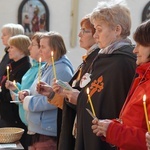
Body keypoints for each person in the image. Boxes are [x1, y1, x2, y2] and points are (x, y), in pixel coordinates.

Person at [54, 1, 136, 149]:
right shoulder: (104, 58)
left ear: (117, 30)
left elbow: (114, 105)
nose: (95, 35)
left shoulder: (122, 62)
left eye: (99, 29)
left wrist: (80, 98)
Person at [37, 14, 100, 150]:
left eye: (85, 30)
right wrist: (52, 94)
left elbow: (90, 100)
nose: (79, 34)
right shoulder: (88, 60)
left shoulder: (97, 61)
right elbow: (71, 99)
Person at [92, 19, 150, 150]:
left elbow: (145, 140)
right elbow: (133, 121)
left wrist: (113, 130)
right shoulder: (142, 78)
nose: (135, 50)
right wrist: (111, 125)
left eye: (141, 45)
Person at [19, 31, 74, 150]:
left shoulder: (61, 70)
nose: (40, 50)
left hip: (48, 130)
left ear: (54, 48)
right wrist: (27, 93)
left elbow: (58, 99)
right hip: (38, 127)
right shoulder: (47, 65)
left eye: (43, 47)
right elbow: (38, 89)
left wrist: (28, 102)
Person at [5, 32, 45, 126]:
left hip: (36, 123)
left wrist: (19, 96)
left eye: (32, 44)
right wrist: (16, 87)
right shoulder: (34, 67)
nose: (29, 47)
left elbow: (37, 94)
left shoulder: (40, 68)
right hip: (27, 120)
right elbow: (26, 88)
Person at [0, 34, 31, 149]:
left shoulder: (25, 67)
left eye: (12, 47)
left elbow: (18, 92)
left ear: (21, 48)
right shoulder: (13, 65)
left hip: (15, 116)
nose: (8, 50)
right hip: (7, 113)